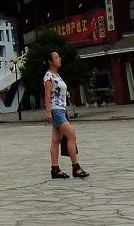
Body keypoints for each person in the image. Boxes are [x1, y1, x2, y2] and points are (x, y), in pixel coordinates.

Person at [44, 50, 88, 179]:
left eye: (59, 57)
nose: (59, 59)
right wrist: (48, 111)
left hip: (60, 109)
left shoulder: (57, 75)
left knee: (56, 140)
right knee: (72, 136)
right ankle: (76, 167)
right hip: (55, 110)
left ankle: (55, 169)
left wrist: (65, 110)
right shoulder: (49, 76)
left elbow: (60, 96)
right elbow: (47, 95)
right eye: (56, 57)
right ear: (50, 61)